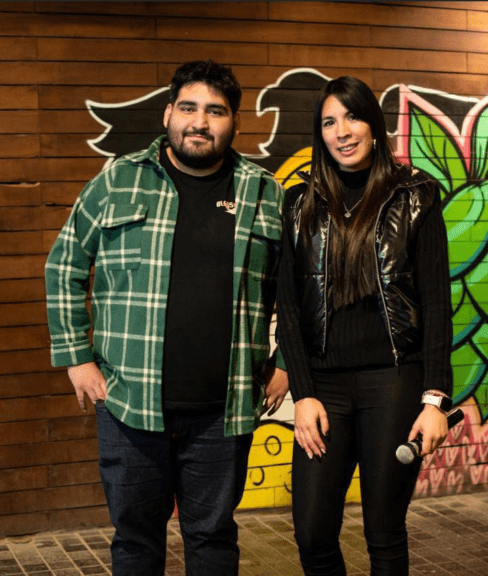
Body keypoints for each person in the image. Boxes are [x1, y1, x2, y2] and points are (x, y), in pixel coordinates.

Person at [45, 59, 288, 576]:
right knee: (135, 542)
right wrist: (76, 359)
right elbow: (65, 265)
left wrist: (287, 362)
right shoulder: (118, 180)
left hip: (224, 412)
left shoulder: (264, 192)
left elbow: (298, 290)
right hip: (128, 406)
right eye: (188, 108)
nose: (200, 122)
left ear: (234, 122)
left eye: (215, 111)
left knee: (213, 540)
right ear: (167, 114)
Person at [277, 76, 453, 576]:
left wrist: (435, 399)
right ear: (320, 134)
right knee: (312, 532)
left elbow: (437, 303)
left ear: (374, 126)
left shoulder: (416, 195)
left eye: (352, 117)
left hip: (394, 381)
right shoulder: (299, 203)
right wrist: (303, 394)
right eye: (329, 122)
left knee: (384, 530)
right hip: (324, 387)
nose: (342, 131)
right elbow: (287, 306)